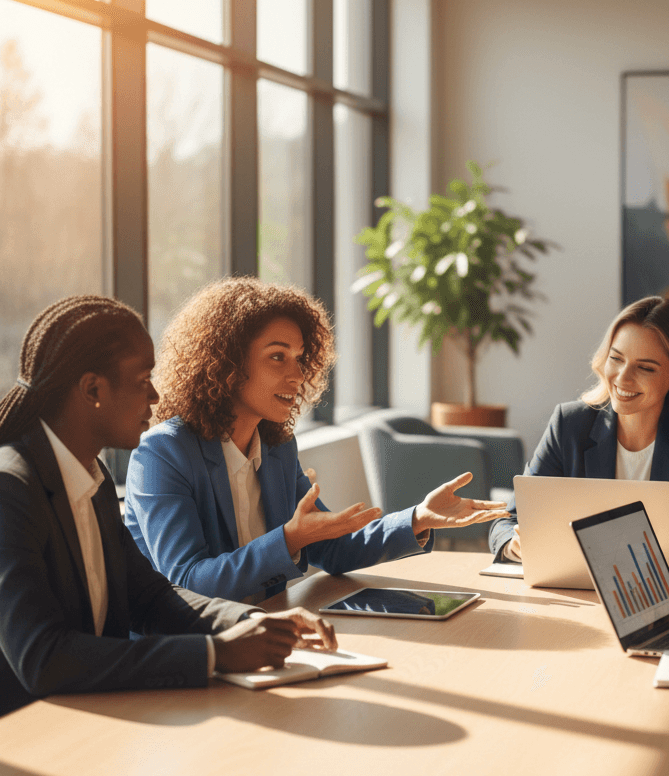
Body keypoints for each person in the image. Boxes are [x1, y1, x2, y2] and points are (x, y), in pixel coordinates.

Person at [0, 296, 336, 717]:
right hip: (29, 743)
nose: (156, 397)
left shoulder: (95, 480)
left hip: (97, 716)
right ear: (93, 390)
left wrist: (250, 622)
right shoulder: (11, 489)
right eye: (143, 380)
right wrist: (215, 654)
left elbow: (151, 597)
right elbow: (43, 658)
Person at [125, 277, 507, 604]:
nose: (297, 375)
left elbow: (332, 547)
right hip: (193, 653)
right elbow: (188, 582)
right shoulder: (164, 453)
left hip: (264, 632)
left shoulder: (276, 448)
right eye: (278, 357)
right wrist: (289, 538)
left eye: (300, 358)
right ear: (227, 362)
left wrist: (418, 518)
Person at [489, 296, 669, 567]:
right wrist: (517, 546)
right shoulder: (569, 425)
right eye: (616, 359)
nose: (622, 378)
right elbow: (507, 522)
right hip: (577, 591)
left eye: (645, 368)